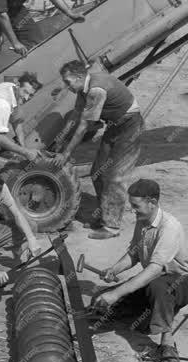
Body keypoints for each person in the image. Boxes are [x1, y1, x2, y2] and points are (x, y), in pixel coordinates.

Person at [91, 179, 188, 362]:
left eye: (136, 206)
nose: (133, 210)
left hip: (178, 282)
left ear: (153, 203)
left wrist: (115, 293)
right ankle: (150, 315)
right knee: (102, 302)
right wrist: (114, 269)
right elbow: (134, 253)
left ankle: (167, 343)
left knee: (157, 288)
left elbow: (155, 269)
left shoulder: (169, 227)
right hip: (153, 280)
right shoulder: (142, 222)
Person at [52, 61, 144, 239]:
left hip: (130, 127)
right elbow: (75, 116)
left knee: (115, 177)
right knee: (97, 171)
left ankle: (112, 227)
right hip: (115, 126)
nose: (67, 86)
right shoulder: (82, 89)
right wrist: (60, 139)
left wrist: (66, 153)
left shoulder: (95, 90)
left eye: (68, 81)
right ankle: (104, 215)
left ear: (79, 77)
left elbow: (84, 126)